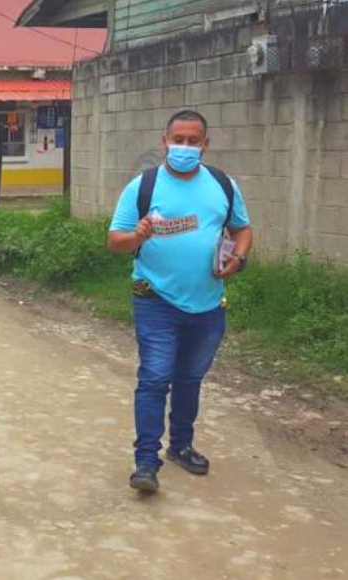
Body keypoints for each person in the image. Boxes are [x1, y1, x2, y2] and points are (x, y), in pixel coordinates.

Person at [107, 109, 253, 494]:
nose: (185, 147)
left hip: (207, 304)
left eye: (193, 141)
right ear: (164, 141)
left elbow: (242, 229)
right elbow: (114, 241)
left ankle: (181, 446)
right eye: (178, 140)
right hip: (155, 298)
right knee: (155, 377)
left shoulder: (222, 185)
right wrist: (137, 235)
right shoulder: (144, 186)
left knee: (190, 378)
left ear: (206, 144)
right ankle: (145, 461)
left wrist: (237, 258)